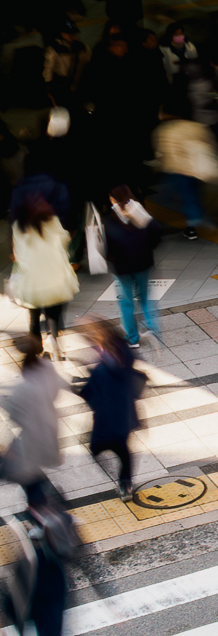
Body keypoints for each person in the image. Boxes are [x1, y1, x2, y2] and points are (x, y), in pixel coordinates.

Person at [3, 490, 81, 636]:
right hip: (21, 597)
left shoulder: (62, 527)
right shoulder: (26, 537)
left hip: (50, 599)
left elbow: (79, 557)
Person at [78, 319, 143, 499]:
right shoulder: (123, 353)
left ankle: (123, 482)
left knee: (98, 447)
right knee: (123, 450)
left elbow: (91, 395)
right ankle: (125, 484)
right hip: (126, 415)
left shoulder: (102, 368)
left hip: (107, 418)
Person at [8, 196, 78, 359]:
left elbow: (18, 254)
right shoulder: (51, 220)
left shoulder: (19, 226)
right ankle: (53, 341)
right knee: (53, 316)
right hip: (55, 279)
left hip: (33, 283)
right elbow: (64, 239)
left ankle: (37, 348)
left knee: (33, 318)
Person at [5, 332, 66, 511]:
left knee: (25, 473)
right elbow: (56, 391)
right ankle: (44, 503)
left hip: (33, 434)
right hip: (50, 423)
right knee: (29, 470)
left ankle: (42, 511)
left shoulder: (21, 389)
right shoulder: (47, 366)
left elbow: (14, 415)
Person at [104, 185, 165, 346]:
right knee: (145, 298)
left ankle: (133, 338)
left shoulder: (110, 221)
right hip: (143, 263)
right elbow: (157, 233)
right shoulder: (140, 213)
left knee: (126, 302)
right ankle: (153, 329)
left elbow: (106, 247)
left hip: (122, 269)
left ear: (112, 200)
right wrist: (147, 249)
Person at [153, 106, 218, 238]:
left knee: (165, 198)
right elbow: (210, 145)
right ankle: (195, 224)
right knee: (192, 196)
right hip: (197, 170)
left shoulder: (166, 130)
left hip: (177, 170)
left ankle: (196, 224)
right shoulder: (197, 126)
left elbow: (165, 153)